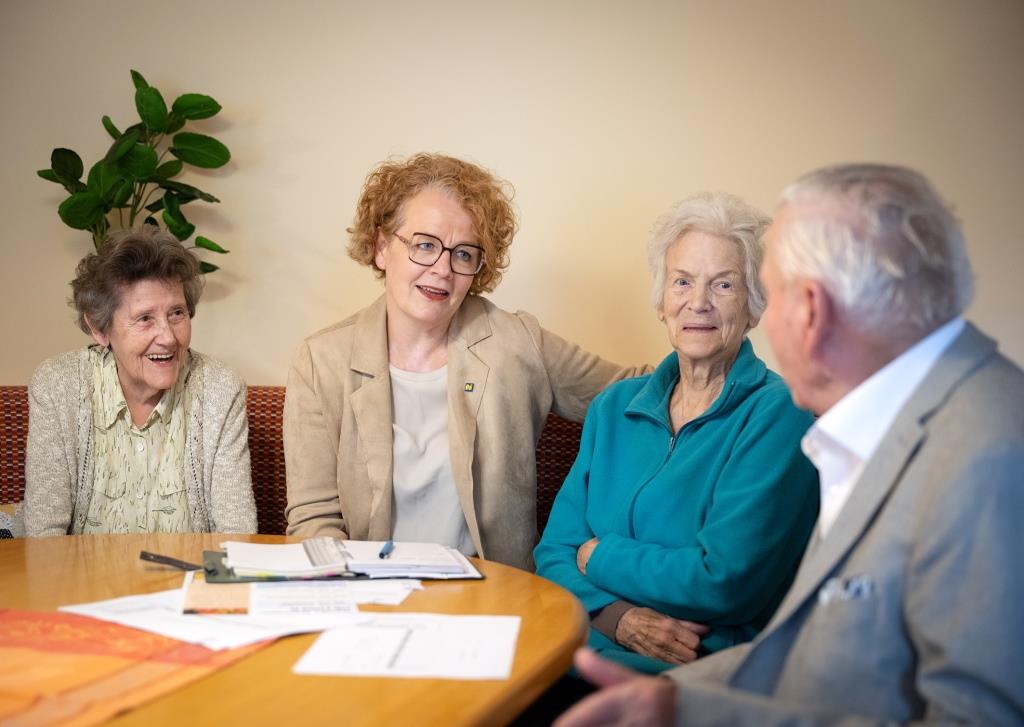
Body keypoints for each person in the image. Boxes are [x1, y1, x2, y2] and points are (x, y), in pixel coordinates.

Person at [555, 164, 1024, 726]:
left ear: (811, 310)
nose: (704, 303)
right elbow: (811, 650)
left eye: (765, 294)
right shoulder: (906, 420)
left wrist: (704, 712)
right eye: (684, 282)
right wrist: (679, 701)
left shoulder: (989, 452)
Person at [284, 153, 646, 570]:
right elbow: (314, 520)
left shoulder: (517, 343)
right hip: (371, 599)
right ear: (382, 247)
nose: (442, 269)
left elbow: (641, 393)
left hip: (497, 596)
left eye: (463, 254)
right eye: (424, 245)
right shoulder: (320, 361)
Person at [533, 193, 819, 676]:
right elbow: (554, 553)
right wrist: (619, 619)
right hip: (578, 655)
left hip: (692, 675)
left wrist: (601, 556)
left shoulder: (782, 415)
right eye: (682, 281)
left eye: (723, 285)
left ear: (753, 307)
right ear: (662, 302)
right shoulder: (614, 408)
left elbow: (723, 580)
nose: (698, 302)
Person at [25, 226, 257, 536]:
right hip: (80, 585)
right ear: (100, 329)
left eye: (177, 313)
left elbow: (236, 536)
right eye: (145, 318)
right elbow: (43, 539)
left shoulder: (219, 389)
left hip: (193, 583)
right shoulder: (59, 386)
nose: (168, 337)